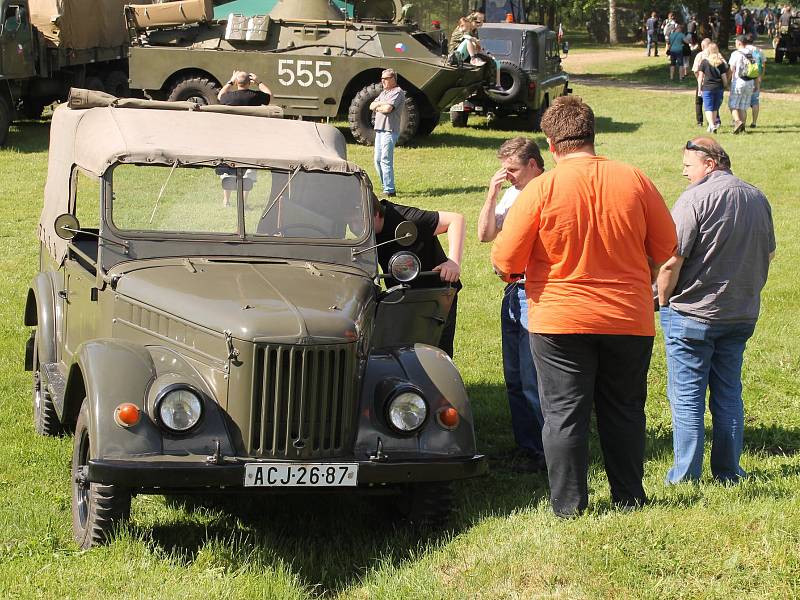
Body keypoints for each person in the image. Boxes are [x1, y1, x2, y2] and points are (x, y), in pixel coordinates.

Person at [491, 96, 677, 517]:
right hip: (628, 317)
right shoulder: (635, 179)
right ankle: (629, 498)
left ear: (551, 146)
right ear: (593, 136)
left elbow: (505, 260)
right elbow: (666, 246)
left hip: (559, 318)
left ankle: (570, 508)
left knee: (562, 414)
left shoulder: (542, 188)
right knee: (625, 409)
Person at [657, 137, 775, 485]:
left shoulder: (694, 198)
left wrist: (663, 301)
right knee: (728, 395)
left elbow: (670, 261)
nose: (683, 173)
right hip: (740, 314)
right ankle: (728, 472)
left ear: (710, 163)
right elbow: (768, 254)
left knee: (687, 397)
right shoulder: (757, 196)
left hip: (693, 314)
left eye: (688, 166)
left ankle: (685, 477)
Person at [478, 137, 546, 473]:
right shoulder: (513, 193)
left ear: (533, 164)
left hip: (534, 292)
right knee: (516, 377)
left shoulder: (547, 192)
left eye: (514, 170)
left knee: (533, 379)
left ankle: (547, 453)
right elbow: (484, 234)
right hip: (512, 291)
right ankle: (528, 447)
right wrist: (492, 194)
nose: (509, 177)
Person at [372, 194, 465, 357]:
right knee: (400, 351)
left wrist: (453, 262)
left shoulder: (405, 218)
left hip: (436, 294)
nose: (355, 228)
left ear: (376, 213)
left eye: (359, 221)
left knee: (437, 353)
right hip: (401, 295)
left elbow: (455, 220)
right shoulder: (365, 232)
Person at [370, 69, 406, 197]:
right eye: (382, 78)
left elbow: (388, 109)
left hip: (389, 131)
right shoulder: (385, 93)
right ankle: (385, 185)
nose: (382, 81)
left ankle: (390, 190)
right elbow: (371, 106)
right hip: (379, 130)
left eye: (385, 78)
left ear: (393, 79)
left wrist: (378, 107)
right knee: (377, 160)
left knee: (385, 160)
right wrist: (380, 104)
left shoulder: (397, 92)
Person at [697, 43, 729, 133]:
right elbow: (724, 77)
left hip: (707, 87)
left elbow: (700, 77)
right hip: (719, 87)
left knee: (708, 107)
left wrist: (699, 88)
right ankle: (712, 125)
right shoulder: (720, 63)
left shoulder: (704, 62)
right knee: (715, 107)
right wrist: (726, 85)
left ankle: (711, 125)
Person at [728, 35, 756, 134]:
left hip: (738, 81)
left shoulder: (735, 54)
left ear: (739, 43)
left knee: (733, 104)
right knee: (743, 106)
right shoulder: (750, 53)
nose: (735, 43)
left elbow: (732, 69)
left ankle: (737, 121)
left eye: (735, 42)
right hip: (749, 81)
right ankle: (742, 128)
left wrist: (727, 80)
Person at [745, 34, 765, 128]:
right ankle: (754, 122)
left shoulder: (743, 51)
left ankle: (741, 121)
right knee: (755, 102)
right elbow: (763, 66)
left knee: (742, 101)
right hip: (756, 77)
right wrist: (760, 77)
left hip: (745, 78)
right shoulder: (759, 51)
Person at [692, 38, 713, 127]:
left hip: (702, 82)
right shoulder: (715, 55)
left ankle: (699, 121)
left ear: (703, 46)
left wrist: (698, 80)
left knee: (699, 102)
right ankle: (712, 120)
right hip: (712, 82)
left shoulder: (700, 55)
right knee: (712, 103)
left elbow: (695, 70)